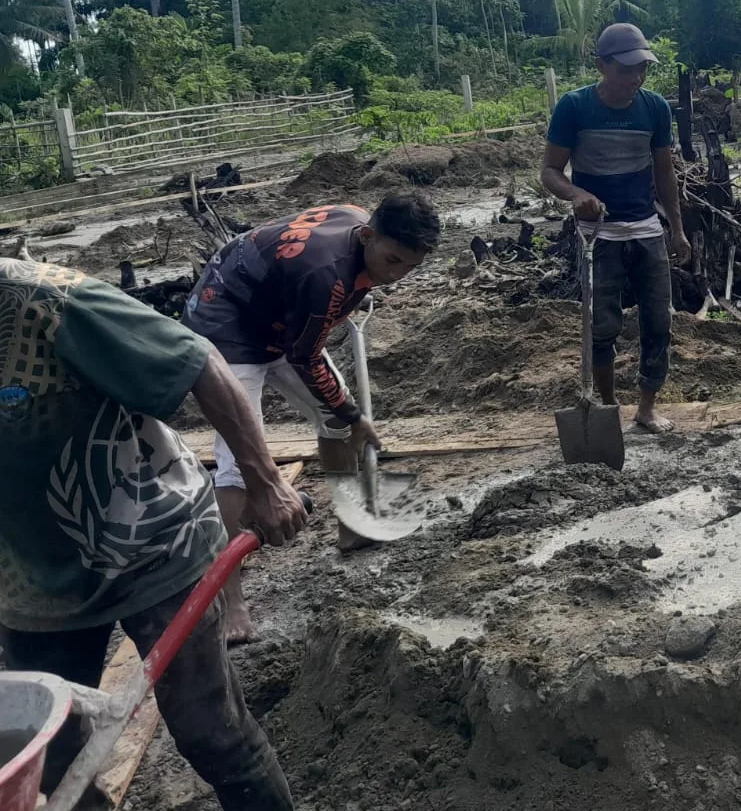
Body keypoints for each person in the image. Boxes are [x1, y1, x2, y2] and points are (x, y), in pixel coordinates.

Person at [0, 258, 308, 810]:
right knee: (46, 753)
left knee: (212, 732)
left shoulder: (44, 300)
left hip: (151, 544)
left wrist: (264, 482)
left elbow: (199, 360)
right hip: (27, 576)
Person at [182, 192, 441, 642]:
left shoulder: (358, 230)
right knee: (240, 464)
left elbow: (306, 346)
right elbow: (305, 357)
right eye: (392, 260)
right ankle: (231, 602)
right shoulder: (324, 275)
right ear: (368, 235)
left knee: (334, 420)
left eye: (410, 266)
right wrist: (353, 415)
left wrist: (344, 416)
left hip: (277, 316)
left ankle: (351, 528)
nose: (396, 274)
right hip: (225, 322)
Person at [541, 22, 691, 433]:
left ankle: (647, 408)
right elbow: (550, 170)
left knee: (658, 322)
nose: (635, 78)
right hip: (598, 235)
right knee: (601, 326)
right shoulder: (574, 107)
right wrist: (576, 194)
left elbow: (664, 173)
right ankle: (608, 407)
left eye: (642, 68)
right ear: (602, 66)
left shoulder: (655, 108)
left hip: (646, 229)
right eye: (626, 69)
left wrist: (677, 229)